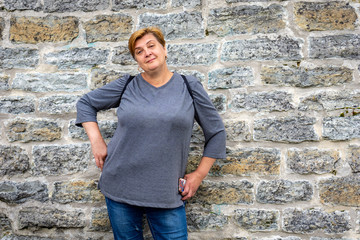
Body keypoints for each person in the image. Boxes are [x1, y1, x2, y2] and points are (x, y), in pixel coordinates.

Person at [76, 26, 226, 240]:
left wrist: (199, 175)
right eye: (139, 51)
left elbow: (217, 132)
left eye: (151, 46)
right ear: (137, 60)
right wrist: (97, 141)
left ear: (164, 49)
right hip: (120, 187)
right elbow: (85, 103)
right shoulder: (127, 85)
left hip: (166, 194)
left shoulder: (188, 86)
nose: (146, 52)